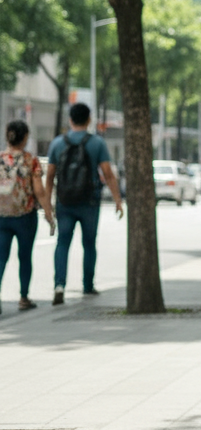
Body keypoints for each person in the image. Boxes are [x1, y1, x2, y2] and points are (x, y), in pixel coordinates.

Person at [45, 103, 124, 305]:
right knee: (89, 244)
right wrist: (117, 199)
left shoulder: (57, 144)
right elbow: (108, 173)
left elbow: (50, 176)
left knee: (62, 243)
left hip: (65, 202)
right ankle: (88, 285)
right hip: (89, 202)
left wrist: (47, 203)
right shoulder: (96, 143)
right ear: (89, 120)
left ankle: (59, 285)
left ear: (70, 119)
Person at [0, 121, 55, 312]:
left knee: (1, 257)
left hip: (1, 216)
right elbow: (39, 190)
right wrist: (48, 212)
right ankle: (24, 297)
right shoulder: (30, 160)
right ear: (25, 137)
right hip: (25, 216)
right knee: (25, 256)